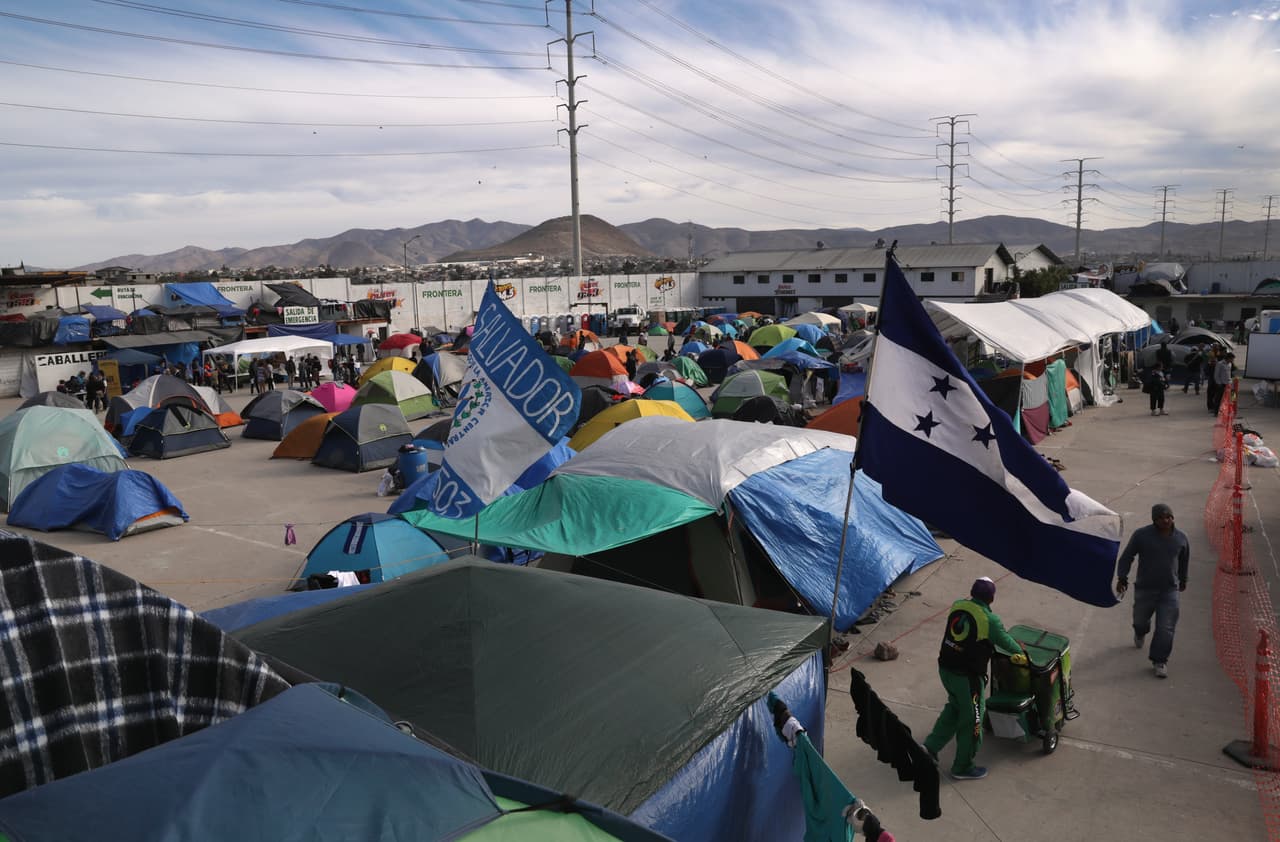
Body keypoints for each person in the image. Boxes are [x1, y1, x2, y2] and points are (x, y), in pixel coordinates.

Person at [923, 577, 1027, 781]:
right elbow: (1005, 641)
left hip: (945, 669)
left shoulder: (958, 606)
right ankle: (962, 767)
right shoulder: (990, 621)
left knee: (955, 709)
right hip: (968, 678)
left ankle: (930, 747)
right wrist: (1022, 654)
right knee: (973, 722)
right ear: (992, 598)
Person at [1115, 503, 1189, 679]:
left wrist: (1183, 580)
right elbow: (1127, 556)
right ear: (1154, 520)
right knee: (1140, 620)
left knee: (1166, 627)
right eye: (1161, 518)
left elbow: (1184, 560)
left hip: (1169, 590)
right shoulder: (1141, 535)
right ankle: (1140, 632)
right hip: (1145, 589)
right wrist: (1122, 577)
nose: (1166, 520)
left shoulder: (1181, 538)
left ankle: (1159, 660)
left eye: (1169, 517)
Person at [1209, 351, 1234, 415]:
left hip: (1229, 383)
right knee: (1219, 399)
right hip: (1222, 384)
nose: (1232, 360)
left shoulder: (1230, 364)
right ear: (1228, 358)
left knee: (1232, 397)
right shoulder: (1220, 364)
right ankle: (1216, 412)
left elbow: (1229, 374)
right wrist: (1219, 383)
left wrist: (1231, 382)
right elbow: (1216, 375)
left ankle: (1230, 411)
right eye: (1232, 359)